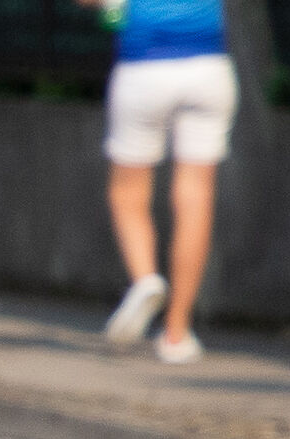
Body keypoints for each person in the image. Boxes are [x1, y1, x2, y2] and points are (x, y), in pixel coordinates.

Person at [84, 0, 234, 362]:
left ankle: (146, 279)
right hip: (209, 66)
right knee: (195, 196)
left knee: (127, 192)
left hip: (144, 64)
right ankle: (177, 333)